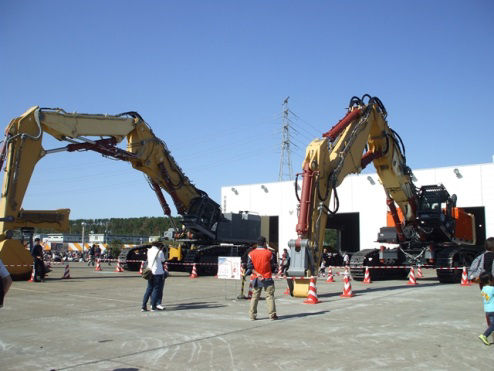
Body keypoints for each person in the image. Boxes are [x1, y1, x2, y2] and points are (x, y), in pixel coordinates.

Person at [246, 236, 278, 320]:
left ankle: (252, 315)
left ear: (257, 243)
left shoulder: (251, 253)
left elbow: (249, 267)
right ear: (264, 243)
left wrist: (257, 273)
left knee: (255, 297)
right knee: (270, 296)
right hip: (267, 277)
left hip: (256, 278)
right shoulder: (269, 253)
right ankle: (272, 315)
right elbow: (272, 266)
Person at [142, 240, 166, 312]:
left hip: (150, 272)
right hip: (158, 272)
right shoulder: (160, 252)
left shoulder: (149, 251)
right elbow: (163, 260)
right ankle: (153, 306)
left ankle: (143, 306)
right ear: (159, 245)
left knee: (149, 289)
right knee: (156, 289)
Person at [478, 273, 494, 345]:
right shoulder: (492, 289)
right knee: (493, 325)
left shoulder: (483, 289)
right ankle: (484, 335)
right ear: (489, 280)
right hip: (493, 309)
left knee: (492, 325)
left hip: (487, 310)